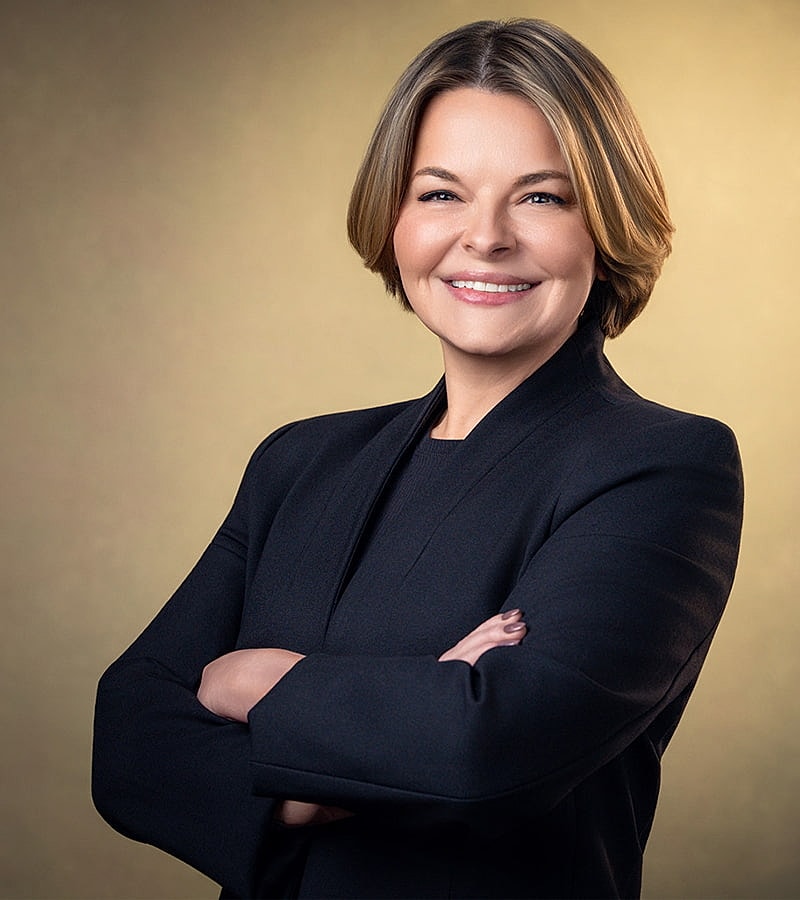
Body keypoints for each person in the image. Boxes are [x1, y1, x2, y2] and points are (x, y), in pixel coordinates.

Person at [92, 18, 744, 900]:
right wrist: (354, 758)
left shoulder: (664, 467)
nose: (485, 237)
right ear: (392, 216)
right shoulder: (301, 462)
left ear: (606, 223)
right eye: (441, 193)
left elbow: (489, 750)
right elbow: (127, 738)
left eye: (541, 197)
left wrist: (261, 682)